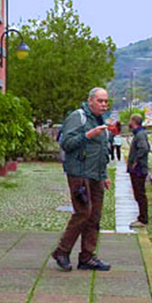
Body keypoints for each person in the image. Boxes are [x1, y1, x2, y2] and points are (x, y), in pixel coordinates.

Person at [52, 87, 113, 272]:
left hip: (96, 174)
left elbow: (102, 151)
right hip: (79, 173)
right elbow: (66, 143)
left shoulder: (100, 120)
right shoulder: (78, 117)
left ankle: (87, 257)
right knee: (83, 212)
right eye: (100, 101)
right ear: (90, 101)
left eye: (106, 101)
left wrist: (104, 176)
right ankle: (62, 251)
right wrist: (88, 135)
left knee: (95, 216)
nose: (104, 105)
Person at [127, 113, 151, 227]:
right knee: (139, 194)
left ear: (133, 121)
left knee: (140, 194)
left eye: (130, 120)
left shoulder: (140, 135)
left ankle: (143, 219)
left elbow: (145, 148)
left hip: (138, 170)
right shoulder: (141, 133)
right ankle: (142, 217)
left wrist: (135, 161)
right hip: (139, 169)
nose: (128, 122)